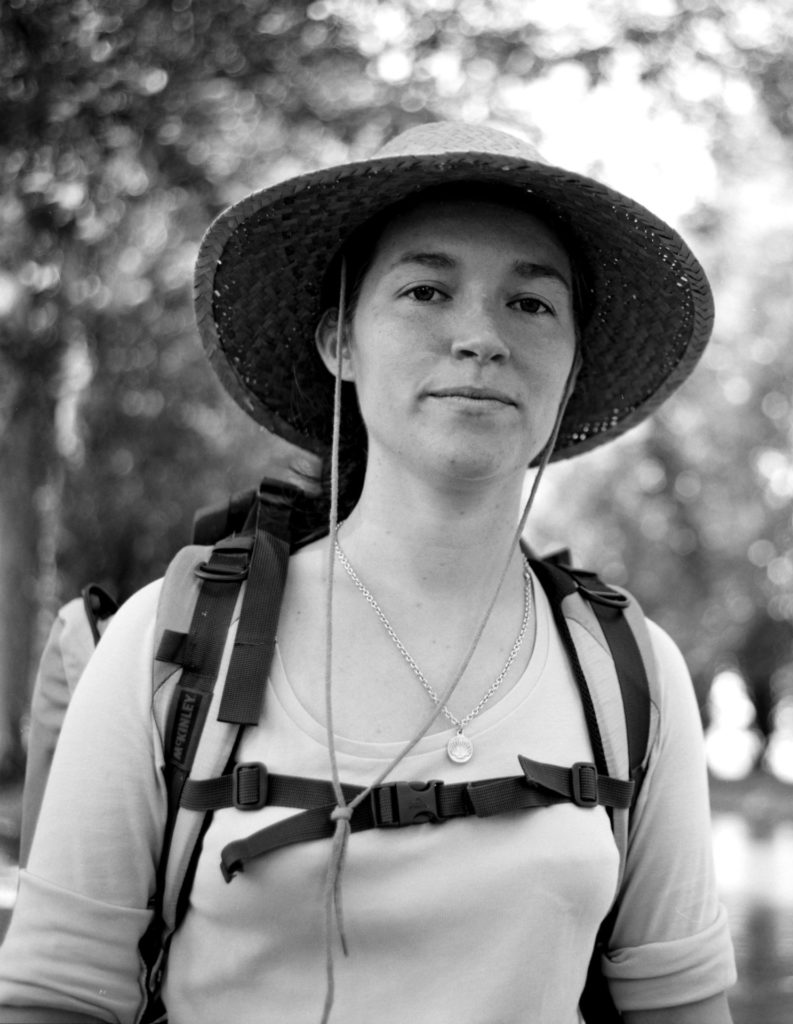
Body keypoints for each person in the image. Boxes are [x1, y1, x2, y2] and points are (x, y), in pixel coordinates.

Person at [0, 121, 736, 1023]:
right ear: (340, 342)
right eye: (427, 290)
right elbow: (53, 999)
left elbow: (682, 1009)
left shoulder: (632, 673)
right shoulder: (175, 642)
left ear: (572, 362)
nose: (480, 337)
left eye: (531, 304)